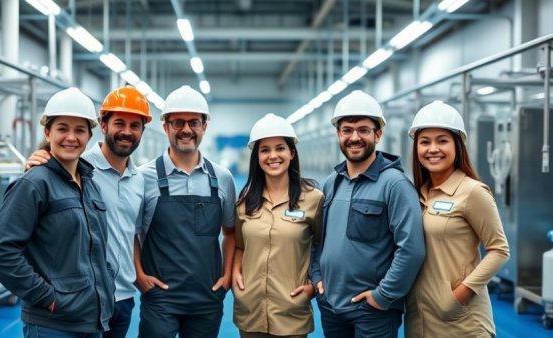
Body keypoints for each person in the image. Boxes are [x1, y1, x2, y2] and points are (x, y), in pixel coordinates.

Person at [24, 85, 153, 338]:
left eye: (134, 126)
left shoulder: (140, 179)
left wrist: (138, 275)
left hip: (124, 296)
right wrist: (37, 160)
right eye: (119, 123)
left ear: (142, 131)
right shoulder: (78, 166)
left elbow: (131, 233)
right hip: (81, 298)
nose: (126, 132)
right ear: (103, 126)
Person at [0, 87, 114, 338]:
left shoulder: (89, 184)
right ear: (47, 132)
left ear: (89, 135)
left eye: (79, 130)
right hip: (52, 325)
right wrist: (47, 297)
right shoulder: (34, 184)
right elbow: (1, 252)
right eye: (62, 128)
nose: (71, 137)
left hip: (91, 320)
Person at [309, 90, 425, 338]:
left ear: (378, 134)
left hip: (372, 312)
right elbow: (319, 239)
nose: (354, 137)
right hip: (331, 304)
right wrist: (317, 275)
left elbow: (412, 248)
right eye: (347, 130)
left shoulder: (395, 185)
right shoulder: (332, 182)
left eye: (363, 130)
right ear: (338, 134)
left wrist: (383, 296)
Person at [134, 85, 236, 338]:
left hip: (207, 298)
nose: (186, 130)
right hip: (160, 300)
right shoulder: (143, 177)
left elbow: (231, 232)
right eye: (178, 122)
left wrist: (227, 278)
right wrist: (139, 277)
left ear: (204, 127)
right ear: (166, 126)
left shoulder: (222, 178)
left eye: (194, 122)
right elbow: (131, 233)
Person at [404, 100, 510, 337]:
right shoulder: (417, 193)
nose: (433, 149)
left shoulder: (472, 192)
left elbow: (499, 250)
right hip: (419, 317)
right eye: (425, 142)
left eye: (442, 140)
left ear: (457, 145)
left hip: (461, 320)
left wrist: (460, 295)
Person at [232, 113, 324, 338]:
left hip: (291, 311)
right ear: (257, 157)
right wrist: (235, 273)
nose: (273, 156)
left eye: (280, 148)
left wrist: (313, 286)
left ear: (292, 153)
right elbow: (239, 246)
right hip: (250, 311)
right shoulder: (245, 203)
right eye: (265, 150)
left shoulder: (313, 199)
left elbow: (323, 248)